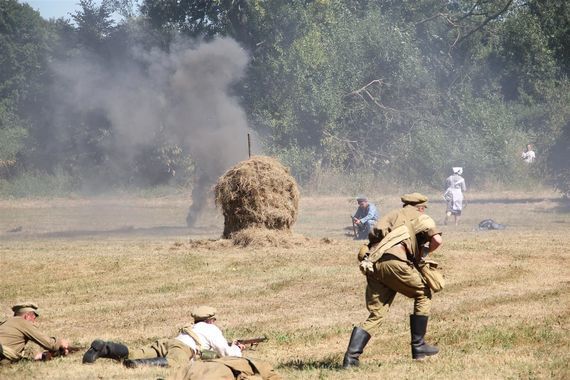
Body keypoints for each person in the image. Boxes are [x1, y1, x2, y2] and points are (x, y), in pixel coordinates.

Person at [342, 193, 443, 368]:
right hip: (395, 263)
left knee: (377, 314)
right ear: (421, 207)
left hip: (374, 264)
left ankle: (351, 358)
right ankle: (419, 347)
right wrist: (424, 253)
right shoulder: (422, 217)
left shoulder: (392, 214)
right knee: (423, 293)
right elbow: (437, 240)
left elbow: (374, 233)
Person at [82, 306, 244, 368]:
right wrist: (237, 348)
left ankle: (105, 348)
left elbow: (208, 353)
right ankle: (139, 365)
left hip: (169, 342)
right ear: (211, 319)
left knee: (132, 352)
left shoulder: (192, 327)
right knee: (174, 363)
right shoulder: (212, 329)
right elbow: (227, 354)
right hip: (183, 348)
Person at [0, 302, 70, 364]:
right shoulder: (23, 322)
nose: (34, 322)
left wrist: (36, 356)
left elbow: (14, 347)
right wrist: (61, 343)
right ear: (27, 316)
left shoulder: (6, 323)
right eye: (34, 318)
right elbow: (50, 344)